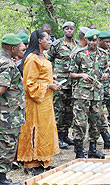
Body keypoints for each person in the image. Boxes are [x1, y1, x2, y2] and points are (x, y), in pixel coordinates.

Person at [69, 29, 110, 159]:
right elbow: (71, 73)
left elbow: (106, 69)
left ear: (98, 40)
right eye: (90, 40)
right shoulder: (79, 54)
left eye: (94, 40)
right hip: (82, 94)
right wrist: (82, 75)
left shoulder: (103, 54)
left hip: (97, 94)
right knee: (80, 123)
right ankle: (79, 151)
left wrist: (105, 75)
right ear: (86, 40)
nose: (92, 43)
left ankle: (93, 148)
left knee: (95, 122)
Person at [17, 30, 60, 175]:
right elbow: (29, 84)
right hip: (35, 101)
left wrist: (52, 81)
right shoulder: (32, 59)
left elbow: (43, 77)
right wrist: (47, 86)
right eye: (47, 39)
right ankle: (30, 164)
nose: (49, 41)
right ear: (40, 41)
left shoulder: (44, 56)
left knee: (45, 130)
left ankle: (43, 161)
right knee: (33, 130)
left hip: (46, 102)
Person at [47, 22, 77, 149]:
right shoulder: (57, 44)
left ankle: (65, 135)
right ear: (63, 30)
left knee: (69, 111)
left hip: (73, 83)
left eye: (71, 29)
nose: (69, 31)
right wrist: (52, 77)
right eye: (67, 29)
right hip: (60, 82)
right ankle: (57, 137)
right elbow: (48, 60)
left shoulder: (77, 44)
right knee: (58, 110)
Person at [0, 33, 24, 185]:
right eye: (20, 48)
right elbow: (1, 88)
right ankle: (2, 179)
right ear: (13, 48)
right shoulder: (7, 64)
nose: (22, 49)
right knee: (7, 145)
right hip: (8, 114)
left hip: (7, 112)